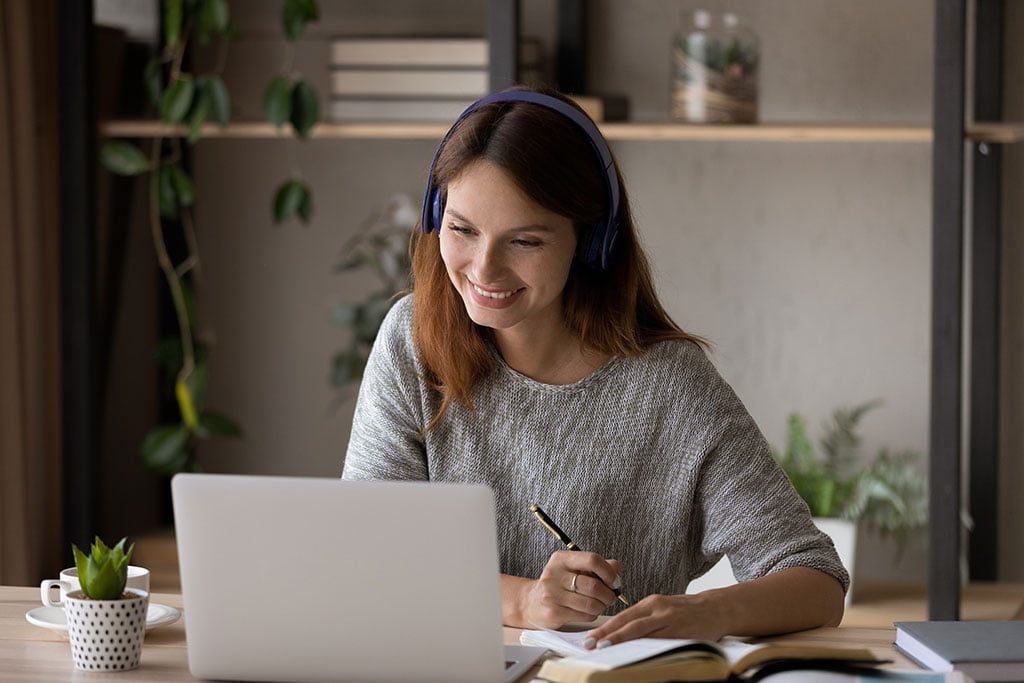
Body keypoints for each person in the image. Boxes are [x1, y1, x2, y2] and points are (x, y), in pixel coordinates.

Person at [342, 86, 847, 648]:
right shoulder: (413, 340)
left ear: (591, 243)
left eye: (525, 240)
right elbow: (371, 558)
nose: (484, 268)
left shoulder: (672, 387)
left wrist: (706, 613)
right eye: (461, 230)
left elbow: (816, 579)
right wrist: (526, 601)